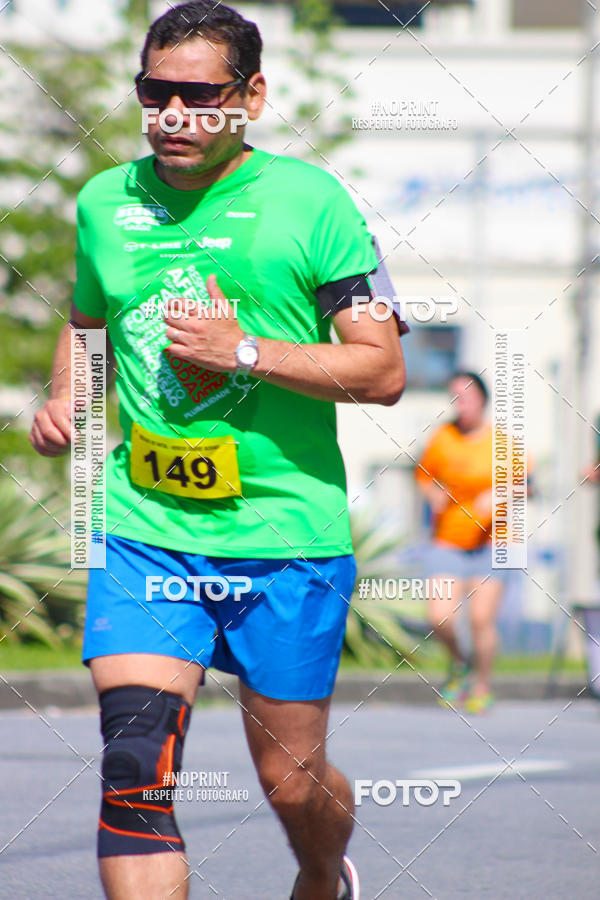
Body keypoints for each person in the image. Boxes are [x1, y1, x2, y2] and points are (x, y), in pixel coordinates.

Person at [29, 3, 406, 898]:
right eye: (155, 94)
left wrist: (243, 352)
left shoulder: (312, 203)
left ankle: (322, 871)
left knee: (291, 781)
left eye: (198, 96)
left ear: (252, 97)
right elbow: (88, 321)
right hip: (144, 529)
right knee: (134, 766)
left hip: (285, 536)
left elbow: (383, 368)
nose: (172, 116)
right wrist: (63, 397)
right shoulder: (105, 202)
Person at [415, 372, 510, 714]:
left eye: (466, 396)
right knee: (440, 617)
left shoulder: (502, 443)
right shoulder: (442, 438)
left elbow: (527, 485)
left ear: (482, 399)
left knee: (481, 619)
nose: (460, 403)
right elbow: (423, 476)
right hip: (448, 541)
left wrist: (497, 494)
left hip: (492, 542)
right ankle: (459, 663)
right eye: (454, 396)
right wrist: (432, 493)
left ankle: (482, 684)